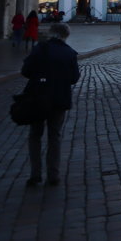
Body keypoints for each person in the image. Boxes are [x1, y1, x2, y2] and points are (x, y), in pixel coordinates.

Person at [22, 23, 80, 186]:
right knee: (54, 136)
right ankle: (53, 174)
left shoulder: (40, 49)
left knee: (35, 135)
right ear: (66, 36)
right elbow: (74, 78)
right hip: (59, 99)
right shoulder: (69, 53)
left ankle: (35, 174)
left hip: (38, 97)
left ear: (50, 33)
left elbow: (25, 71)